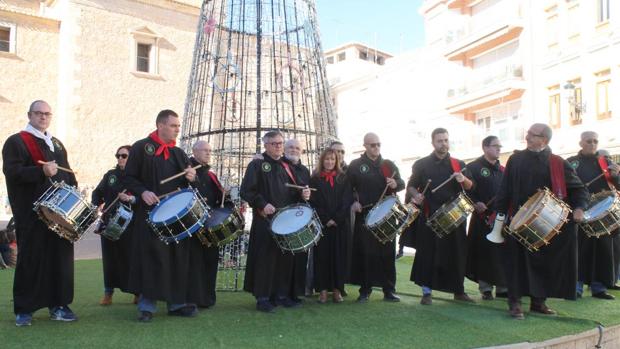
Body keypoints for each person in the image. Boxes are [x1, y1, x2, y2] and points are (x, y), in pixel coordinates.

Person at [494, 123, 588, 319]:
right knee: (516, 263)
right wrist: (499, 217)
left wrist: (579, 208)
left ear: (544, 139)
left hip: (547, 224)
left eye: (532, 134)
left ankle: (539, 302)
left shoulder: (558, 163)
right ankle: (515, 303)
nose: (527, 136)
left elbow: (579, 190)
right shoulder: (515, 159)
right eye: (528, 132)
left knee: (544, 263)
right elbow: (505, 190)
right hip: (518, 221)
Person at [124, 109, 210, 322]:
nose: (177, 130)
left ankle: (177, 303)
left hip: (176, 218)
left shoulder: (179, 154)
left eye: (178, 126)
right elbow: (129, 178)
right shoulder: (141, 148)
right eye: (173, 126)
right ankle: (147, 306)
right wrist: (143, 192)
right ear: (160, 125)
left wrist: (192, 177)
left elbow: (192, 184)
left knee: (177, 259)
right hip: (150, 215)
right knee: (152, 259)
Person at [2, 100, 78, 326]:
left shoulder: (56, 143)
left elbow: (67, 173)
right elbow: (12, 172)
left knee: (61, 260)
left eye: (47, 114)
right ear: (29, 115)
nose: (43, 117)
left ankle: (59, 305)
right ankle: (24, 310)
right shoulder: (16, 142)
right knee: (31, 260)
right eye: (38, 113)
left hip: (60, 212)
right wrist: (40, 171)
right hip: (32, 213)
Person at [240, 131, 311, 312]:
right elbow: (247, 191)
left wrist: (303, 194)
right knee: (265, 259)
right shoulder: (256, 165)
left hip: (285, 221)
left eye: (280, 143)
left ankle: (280, 295)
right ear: (265, 145)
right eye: (274, 143)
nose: (278, 146)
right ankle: (263, 298)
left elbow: (295, 189)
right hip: (265, 220)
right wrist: (263, 204)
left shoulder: (286, 166)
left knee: (283, 259)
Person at [408, 128, 475, 305]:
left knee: (457, 255)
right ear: (433, 143)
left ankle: (458, 291)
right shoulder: (421, 164)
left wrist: (462, 179)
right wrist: (417, 196)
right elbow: (411, 186)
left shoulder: (458, 164)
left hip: (455, 216)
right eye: (440, 141)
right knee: (427, 254)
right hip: (430, 215)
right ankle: (426, 292)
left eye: (446, 140)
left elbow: (470, 187)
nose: (443, 144)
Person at [346, 132, 404, 303]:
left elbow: (401, 183)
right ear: (365, 146)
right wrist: (353, 202)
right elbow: (347, 189)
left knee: (387, 254)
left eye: (378, 144)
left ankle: (389, 290)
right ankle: (365, 290)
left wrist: (396, 184)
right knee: (366, 254)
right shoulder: (355, 165)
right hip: (365, 215)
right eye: (372, 145)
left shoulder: (388, 165)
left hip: (387, 215)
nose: (376, 147)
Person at [567, 131, 620, 300]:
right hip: (578, 211)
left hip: (602, 214)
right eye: (588, 141)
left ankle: (599, 288)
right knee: (579, 251)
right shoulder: (570, 163)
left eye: (595, 141)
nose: (592, 144)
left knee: (603, 252)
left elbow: (617, 187)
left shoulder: (606, 163)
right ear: (581, 143)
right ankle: (576, 287)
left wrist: (617, 176)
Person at [91, 145, 137, 306]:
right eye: (118, 156)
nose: (120, 159)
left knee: (131, 258)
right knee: (110, 259)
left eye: (124, 156)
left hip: (131, 224)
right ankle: (108, 292)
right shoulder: (110, 175)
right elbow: (97, 192)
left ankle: (137, 291)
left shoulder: (138, 176)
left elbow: (142, 197)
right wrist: (95, 204)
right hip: (109, 221)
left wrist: (131, 199)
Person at [465, 136, 508, 300]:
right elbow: (466, 191)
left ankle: (503, 287)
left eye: (500, 146)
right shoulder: (472, 168)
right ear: (485, 147)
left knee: (501, 253)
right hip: (481, 218)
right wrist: (475, 202)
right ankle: (486, 288)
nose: (499, 149)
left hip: (500, 218)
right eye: (495, 146)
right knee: (483, 253)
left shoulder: (504, 170)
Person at [309, 148, 352, 303]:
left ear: (337, 161)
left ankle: (337, 289)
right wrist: (326, 219)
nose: (330, 162)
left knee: (338, 257)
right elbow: (313, 202)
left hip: (340, 225)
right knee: (322, 258)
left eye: (332, 159)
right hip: (322, 225)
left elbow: (347, 200)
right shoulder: (315, 179)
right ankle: (323, 290)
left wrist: (337, 219)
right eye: (327, 159)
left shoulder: (343, 178)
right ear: (322, 160)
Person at [190, 140, 228, 308]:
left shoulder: (210, 174)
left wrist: (224, 198)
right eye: (204, 150)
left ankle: (207, 298)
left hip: (210, 225)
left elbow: (221, 199)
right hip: (192, 224)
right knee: (195, 263)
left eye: (209, 150)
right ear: (194, 151)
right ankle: (194, 298)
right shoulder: (188, 170)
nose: (208, 153)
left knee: (211, 261)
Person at [283, 139, 312, 298]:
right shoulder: (279, 166)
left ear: (302, 151)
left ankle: (296, 293)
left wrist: (306, 195)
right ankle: (282, 293)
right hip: (283, 217)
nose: (294, 150)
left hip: (300, 217)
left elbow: (307, 193)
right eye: (290, 147)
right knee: (284, 258)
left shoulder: (305, 171)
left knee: (300, 256)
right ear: (284, 149)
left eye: (297, 148)